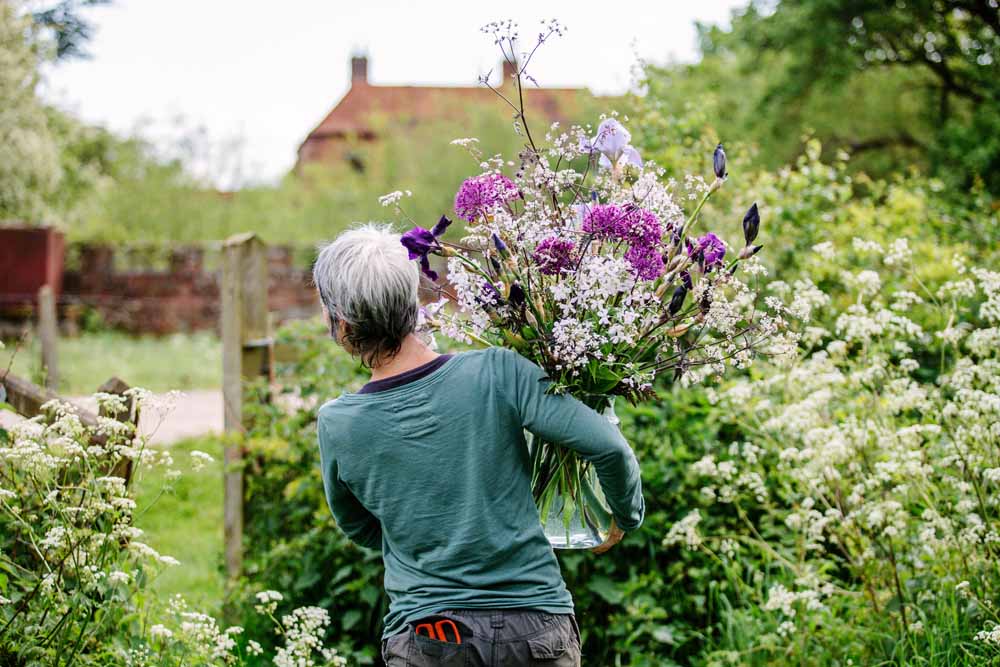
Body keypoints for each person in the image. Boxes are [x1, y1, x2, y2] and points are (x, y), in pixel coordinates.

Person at [312, 224, 645, 666]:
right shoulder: (499, 372)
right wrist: (623, 517)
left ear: (344, 326)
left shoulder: (339, 424)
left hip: (428, 637)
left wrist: (422, 537)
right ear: (415, 300)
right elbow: (609, 447)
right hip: (537, 630)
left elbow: (358, 525)